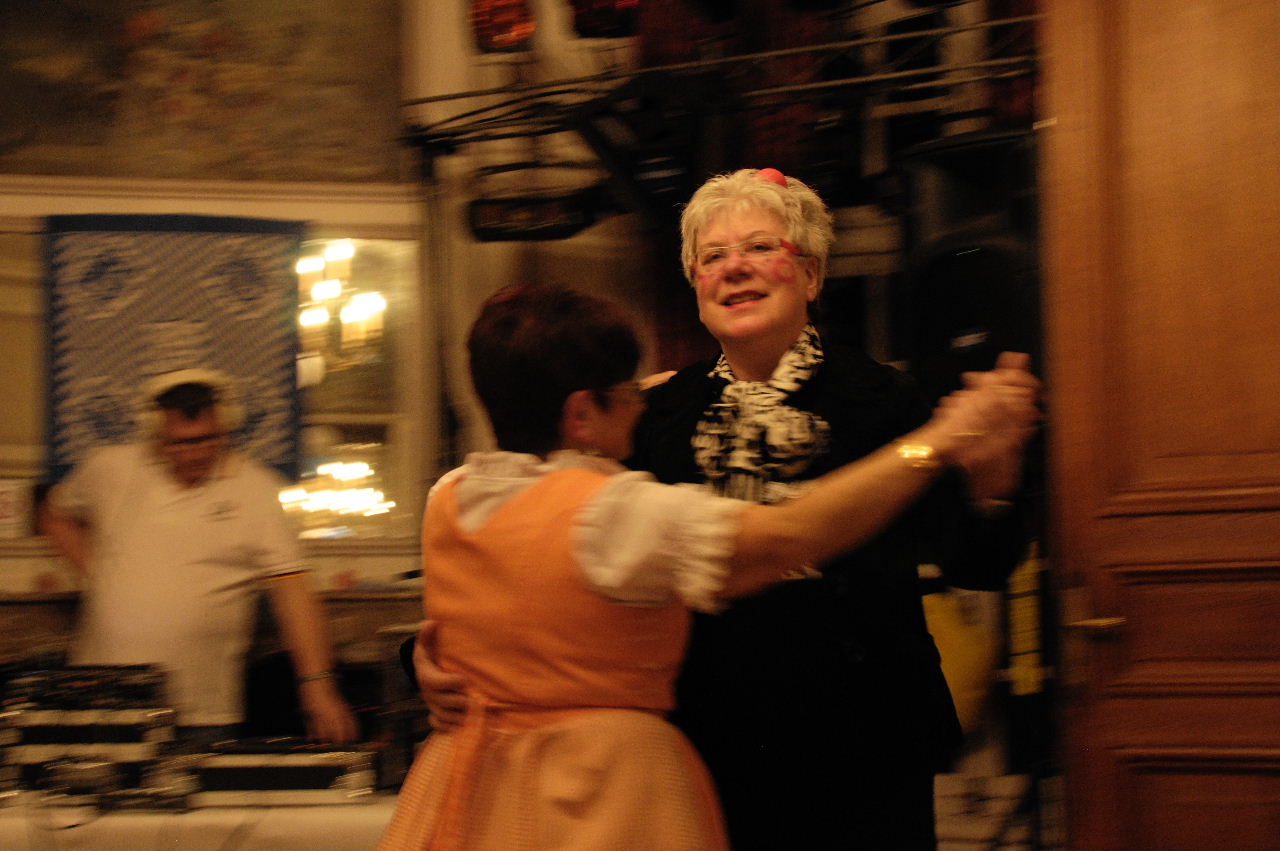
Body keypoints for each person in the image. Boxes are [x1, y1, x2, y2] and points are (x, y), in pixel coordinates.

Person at [419, 169, 1042, 850]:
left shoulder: (888, 401)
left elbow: (975, 563)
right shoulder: (649, 415)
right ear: (695, 287)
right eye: (713, 257)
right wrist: (431, 654)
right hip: (700, 739)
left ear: (810, 275)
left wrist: (994, 484)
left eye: (758, 247)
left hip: (862, 741)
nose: (735, 267)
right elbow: (538, 550)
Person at [39, 369, 358, 748]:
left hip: (199, 716)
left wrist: (318, 686)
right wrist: (98, 573)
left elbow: (293, 593)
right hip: (103, 706)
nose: (194, 453)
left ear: (227, 429)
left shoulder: (256, 489)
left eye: (206, 440)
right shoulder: (109, 469)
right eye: (178, 443)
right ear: (155, 435)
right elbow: (55, 513)